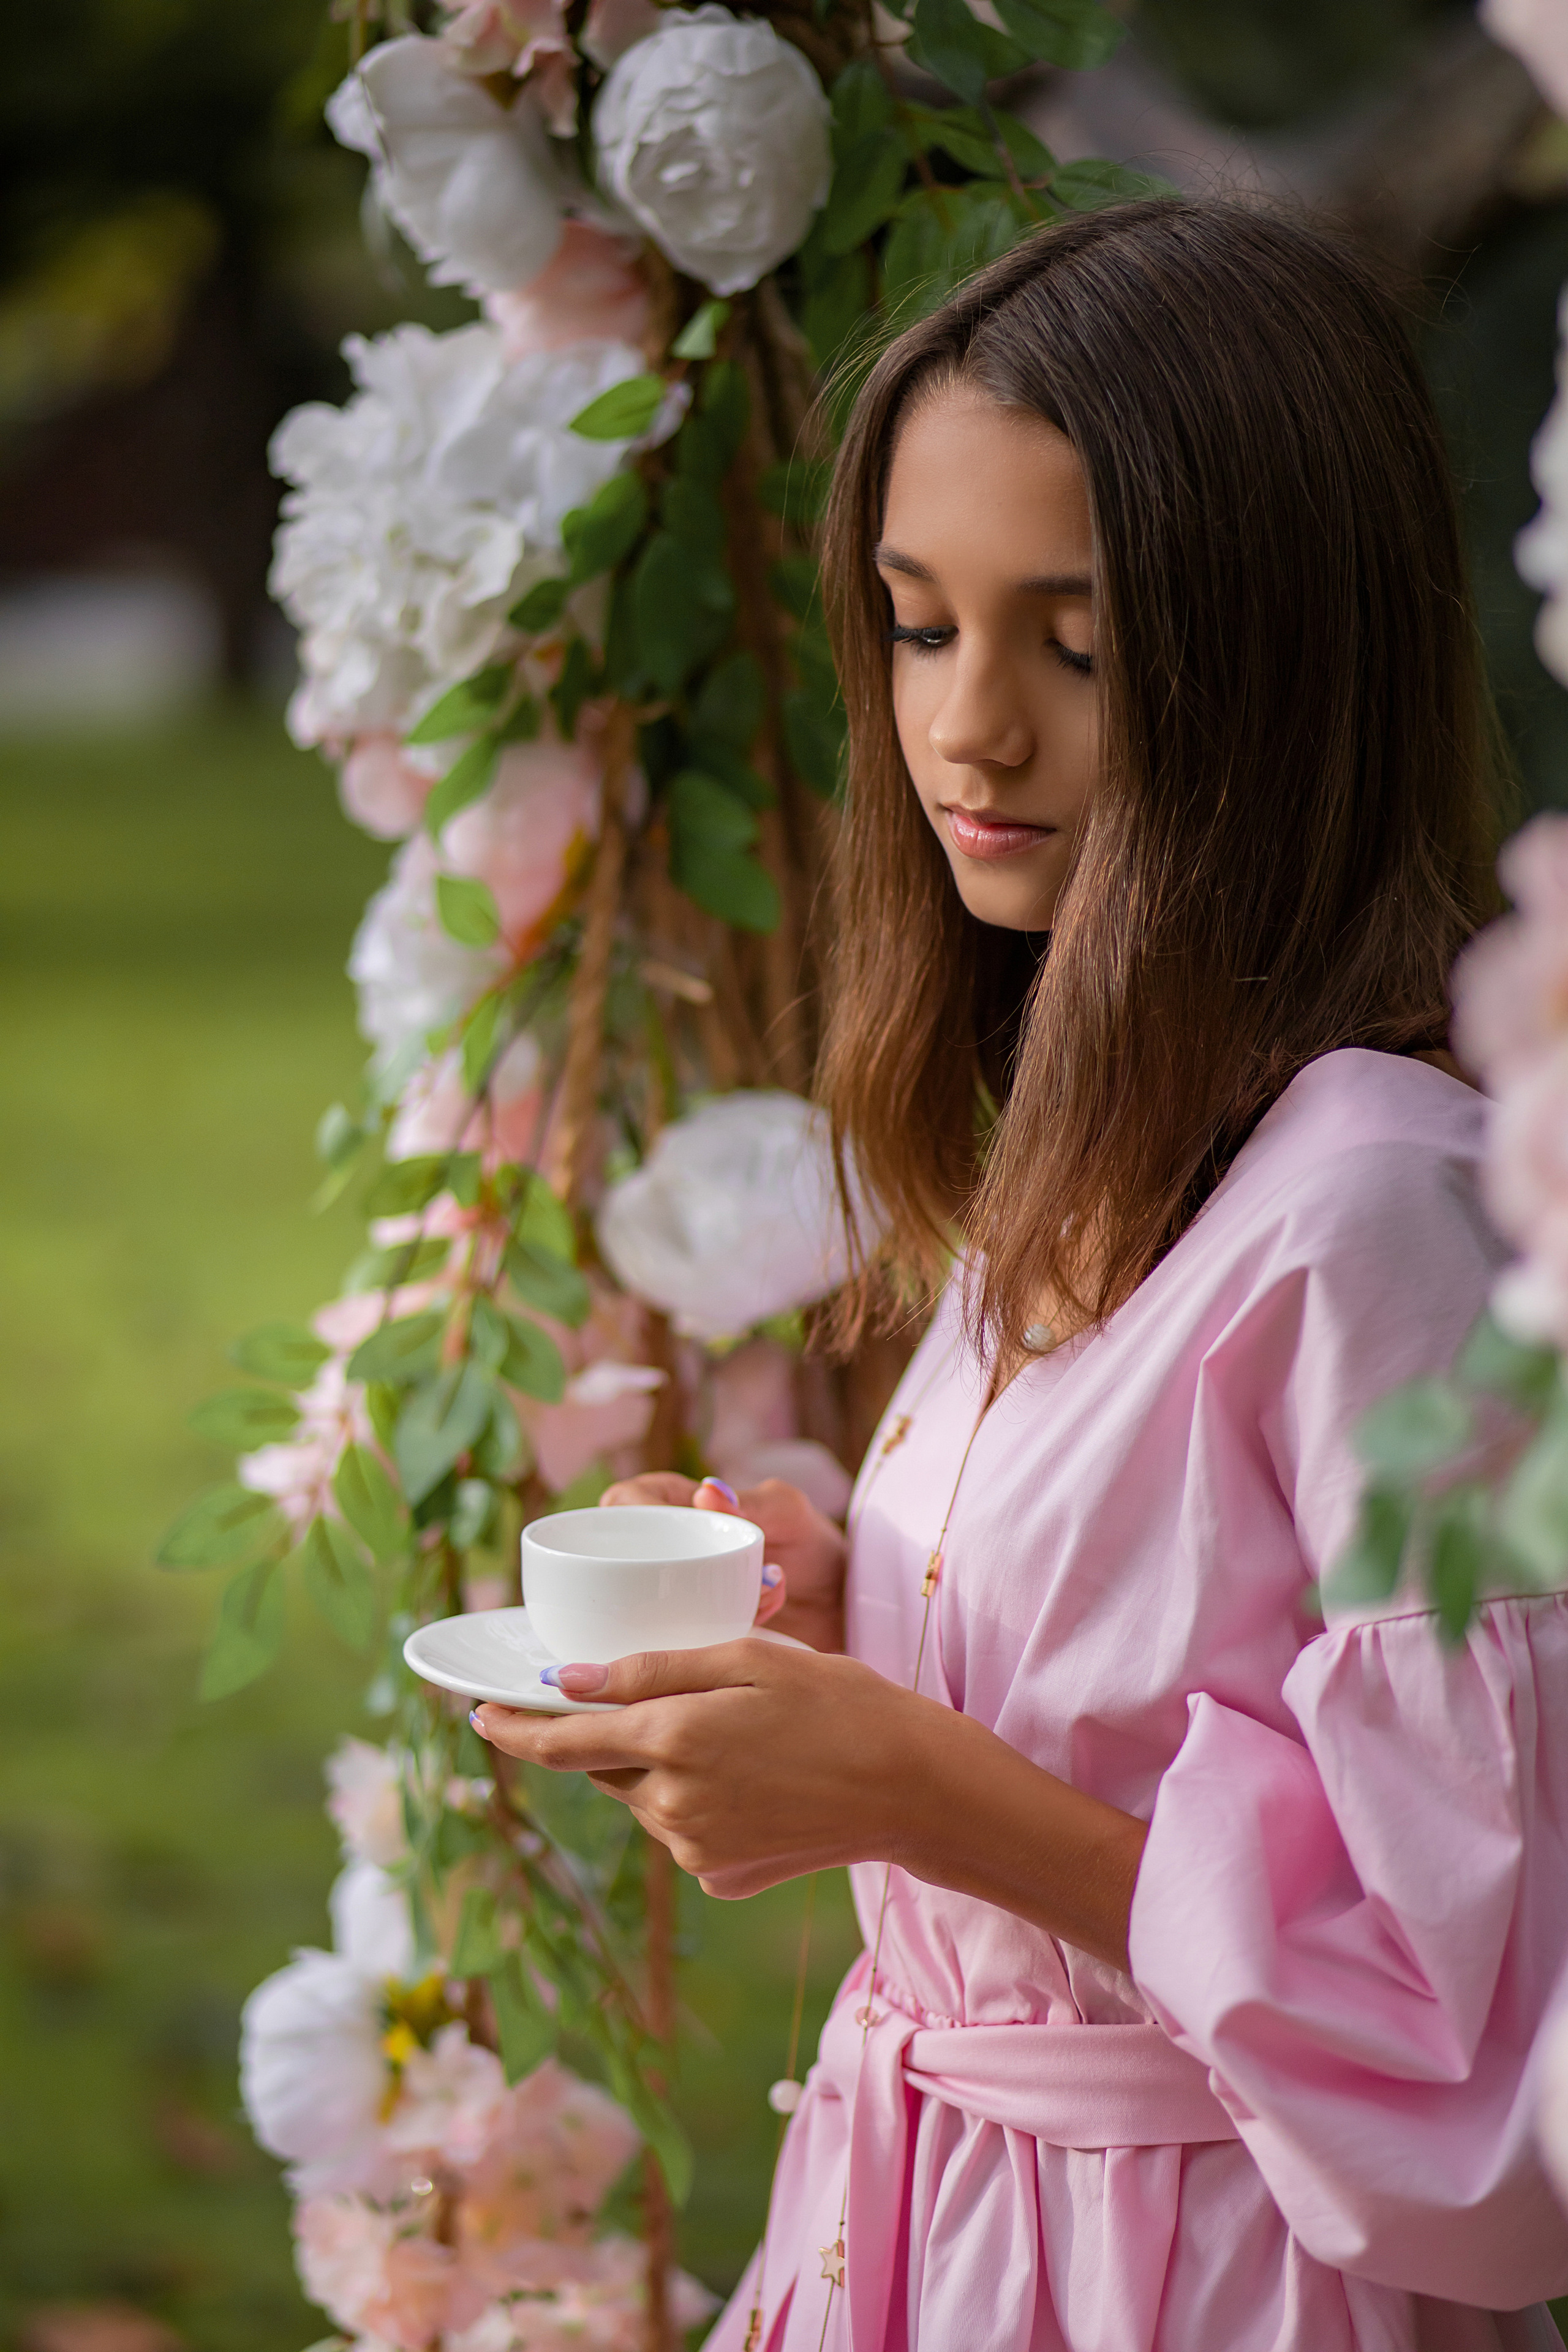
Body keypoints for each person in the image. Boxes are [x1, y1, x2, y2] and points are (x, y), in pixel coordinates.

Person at [470, 200, 1568, 2350]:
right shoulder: (1079, 1147)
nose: (970, 734)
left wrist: (907, 1785)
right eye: (917, 627)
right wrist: (853, 1602)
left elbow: (1490, 2046)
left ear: (1277, 653)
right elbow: (1159, 1668)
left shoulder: (1394, 1218)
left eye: (1073, 642)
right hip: (927, 2230)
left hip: (1216, 2278)